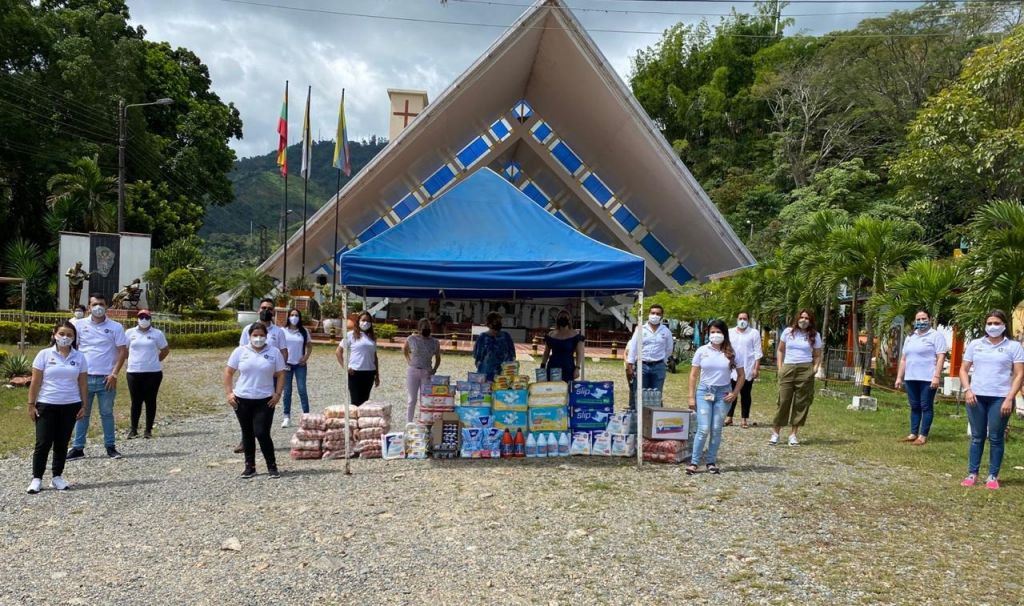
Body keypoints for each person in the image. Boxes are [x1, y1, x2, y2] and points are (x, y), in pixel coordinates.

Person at [958, 310, 1024, 490]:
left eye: (997, 323)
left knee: (996, 438)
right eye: (989, 323)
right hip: (976, 397)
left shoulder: (1013, 347)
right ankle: (972, 473)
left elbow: (1019, 374)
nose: (993, 326)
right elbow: (963, 369)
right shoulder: (975, 344)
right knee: (977, 437)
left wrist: (1009, 398)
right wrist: (967, 390)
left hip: (1000, 398)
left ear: (1004, 325)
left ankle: (993, 476)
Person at [26, 322, 88, 493]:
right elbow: (35, 381)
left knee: (62, 443)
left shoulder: (80, 357)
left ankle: (57, 477)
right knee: (43, 442)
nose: (65, 337)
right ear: (54, 334)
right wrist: (31, 404)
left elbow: (82, 383)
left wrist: (84, 404)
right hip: (47, 404)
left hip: (70, 405)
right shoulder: (44, 354)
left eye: (69, 334)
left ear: (74, 338)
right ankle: (37, 478)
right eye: (62, 333)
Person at [67, 293, 128, 460]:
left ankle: (110, 447)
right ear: (89, 307)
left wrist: (114, 373)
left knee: (107, 413)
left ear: (106, 306)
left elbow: (123, 351)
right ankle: (78, 448)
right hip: (84, 378)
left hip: (106, 378)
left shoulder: (116, 327)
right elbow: (73, 349)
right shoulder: (78, 325)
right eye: (94, 304)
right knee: (82, 413)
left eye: (101, 304)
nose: (98, 307)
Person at [224, 323, 285, 479]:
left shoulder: (274, 352)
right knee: (247, 433)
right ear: (249, 336)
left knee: (262, 432)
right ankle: (250, 467)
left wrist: (278, 394)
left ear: (266, 336)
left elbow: (280, 374)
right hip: (242, 399)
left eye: (261, 335)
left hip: (265, 399)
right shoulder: (240, 351)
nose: (258, 338)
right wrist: (229, 393)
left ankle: (272, 466)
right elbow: (229, 372)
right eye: (255, 335)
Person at [687, 319, 744, 475]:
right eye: (712, 332)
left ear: (724, 334)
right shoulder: (702, 351)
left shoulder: (731, 353)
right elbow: (693, 375)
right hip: (704, 391)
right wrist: (691, 397)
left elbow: (741, 376)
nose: (715, 335)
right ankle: (694, 462)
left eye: (718, 332)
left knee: (716, 429)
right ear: (708, 334)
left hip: (723, 394)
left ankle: (711, 462)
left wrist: (735, 392)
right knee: (703, 428)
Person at [233, 298, 287, 453]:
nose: (266, 311)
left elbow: (283, 351)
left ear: (274, 312)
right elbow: (241, 350)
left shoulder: (278, 331)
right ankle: (245, 441)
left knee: (266, 410)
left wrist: (281, 370)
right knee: (246, 410)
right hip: (252, 376)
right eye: (263, 307)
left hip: (272, 374)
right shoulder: (248, 329)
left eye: (269, 308)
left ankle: (263, 437)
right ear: (258, 310)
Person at [894, 310, 947, 446]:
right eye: (918, 319)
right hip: (911, 377)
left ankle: (923, 435)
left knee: (925, 406)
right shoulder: (911, 336)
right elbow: (904, 359)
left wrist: (936, 376)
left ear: (929, 319)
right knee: (914, 405)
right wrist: (899, 377)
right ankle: (913, 433)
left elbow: (941, 357)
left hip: (928, 377)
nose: (921, 321)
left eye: (924, 318)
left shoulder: (936, 336)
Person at [770, 309, 823, 447]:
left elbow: (817, 355)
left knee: (801, 403)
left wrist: (814, 369)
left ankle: (793, 435)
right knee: (783, 401)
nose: (803, 320)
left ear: (810, 321)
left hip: (805, 369)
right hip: (788, 367)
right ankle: (775, 433)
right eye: (801, 317)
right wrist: (780, 368)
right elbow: (781, 350)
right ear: (797, 318)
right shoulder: (788, 332)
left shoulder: (815, 335)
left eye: (807, 318)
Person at [125, 309, 170, 439]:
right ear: (137, 318)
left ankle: (148, 430)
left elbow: (165, 350)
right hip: (134, 372)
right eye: (141, 317)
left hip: (153, 373)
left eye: (146, 317)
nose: (143, 319)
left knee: (150, 400)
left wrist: (156, 360)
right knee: (136, 401)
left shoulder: (157, 333)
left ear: (150, 319)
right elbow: (124, 350)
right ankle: (133, 429)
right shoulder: (129, 333)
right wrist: (133, 360)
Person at [625, 304, 673, 409]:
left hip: (658, 367)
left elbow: (669, 349)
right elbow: (633, 347)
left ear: (662, 316)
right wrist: (630, 364)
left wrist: (662, 360)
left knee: (656, 395)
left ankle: (653, 422)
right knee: (639, 395)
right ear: (649, 314)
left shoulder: (666, 332)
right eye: (653, 313)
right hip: (642, 366)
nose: (655, 315)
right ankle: (639, 421)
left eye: (658, 314)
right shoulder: (640, 329)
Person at [726, 311, 762, 428]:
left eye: (745, 319)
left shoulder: (754, 333)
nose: (742, 321)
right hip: (731, 368)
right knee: (731, 393)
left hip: (747, 367)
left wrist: (756, 368)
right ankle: (729, 417)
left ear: (748, 320)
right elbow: (726, 348)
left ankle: (744, 419)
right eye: (740, 318)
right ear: (737, 319)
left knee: (745, 394)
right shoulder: (730, 332)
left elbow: (757, 352)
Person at [336, 311, 380, 406]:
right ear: (358, 321)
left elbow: (375, 357)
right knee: (355, 402)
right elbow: (338, 352)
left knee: (365, 402)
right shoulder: (350, 335)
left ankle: (362, 421)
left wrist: (377, 375)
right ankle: (353, 420)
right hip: (355, 372)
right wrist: (345, 367)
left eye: (368, 321)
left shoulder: (372, 337)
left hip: (369, 373)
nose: (365, 323)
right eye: (363, 320)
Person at [403, 318, 441, 423]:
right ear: (419, 328)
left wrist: (434, 369)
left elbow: (438, 357)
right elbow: (405, 349)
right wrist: (408, 360)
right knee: (412, 399)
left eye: (428, 327)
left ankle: (423, 421)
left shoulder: (435, 342)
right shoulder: (412, 339)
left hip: (426, 372)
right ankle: (408, 423)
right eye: (424, 327)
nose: (426, 329)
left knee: (425, 399)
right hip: (413, 370)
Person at [280, 307, 312, 427]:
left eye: (297, 315)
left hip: (300, 365)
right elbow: (278, 347)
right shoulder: (282, 331)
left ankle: (307, 416)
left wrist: (305, 357)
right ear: (288, 317)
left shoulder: (304, 331)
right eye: (292, 315)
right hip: (287, 364)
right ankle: (286, 417)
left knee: (302, 389)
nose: (294, 317)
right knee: (287, 391)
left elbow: (309, 346)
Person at [541, 310, 585, 382]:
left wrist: (577, 368)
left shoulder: (576, 335)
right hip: (552, 367)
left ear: (569, 320)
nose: (563, 318)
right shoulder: (551, 334)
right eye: (561, 316)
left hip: (568, 367)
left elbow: (579, 353)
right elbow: (546, 352)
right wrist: (542, 365)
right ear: (557, 319)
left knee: (566, 390)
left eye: (565, 317)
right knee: (552, 389)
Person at [473, 311, 516, 381]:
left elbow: (477, 357)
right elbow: (513, 356)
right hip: (495, 375)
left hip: (495, 376)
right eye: (498, 321)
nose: (499, 323)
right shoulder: (483, 337)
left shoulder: (505, 336)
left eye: (499, 321)